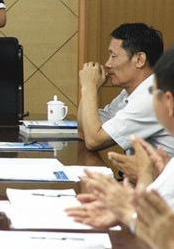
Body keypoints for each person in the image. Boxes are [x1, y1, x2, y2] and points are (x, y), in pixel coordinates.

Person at [66, 44, 174, 242]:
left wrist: (128, 211)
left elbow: (167, 237)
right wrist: (145, 184)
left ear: (169, 101)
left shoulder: (145, 98)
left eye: (154, 91)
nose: (108, 64)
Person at [77, 23, 174, 159]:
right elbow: (84, 132)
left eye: (113, 56)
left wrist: (89, 88)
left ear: (139, 60)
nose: (107, 64)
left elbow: (94, 141)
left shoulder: (152, 97)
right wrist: (90, 87)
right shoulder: (131, 93)